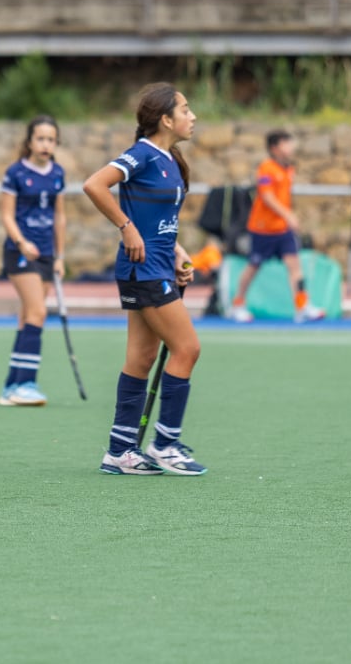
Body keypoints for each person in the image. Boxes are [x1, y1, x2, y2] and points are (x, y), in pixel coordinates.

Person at [82, 83, 205, 477]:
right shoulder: (142, 154)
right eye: (185, 110)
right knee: (187, 349)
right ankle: (165, 445)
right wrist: (125, 227)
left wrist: (178, 252)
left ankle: (120, 451)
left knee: (141, 359)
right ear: (165, 119)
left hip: (158, 266)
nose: (193, 117)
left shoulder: (170, 160)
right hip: (143, 270)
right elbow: (94, 184)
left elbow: (159, 221)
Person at [0, 115, 66, 407]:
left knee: (28, 315)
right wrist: (21, 242)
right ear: (29, 142)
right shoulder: (15, 172)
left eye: (51, 139)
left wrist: (60, 256)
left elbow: (59, 217)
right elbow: (7, 215)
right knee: (38, 312)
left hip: (47, 254)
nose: (45, 144)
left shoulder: (58, 173)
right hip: (21, 253)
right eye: (40, 139)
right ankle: (26, 383)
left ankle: (11, 386)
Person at [226, 130, 325, 324]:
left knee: (294, 266)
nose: (291, 147)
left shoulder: (288, 169)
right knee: (253, 267)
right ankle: (237, 304)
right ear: (274, 148)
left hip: (283, 230)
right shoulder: (266, 168)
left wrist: (288, 219)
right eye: (285, 143)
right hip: (263, 229)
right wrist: (288, 215)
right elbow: (267, 196)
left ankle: (302, 306)